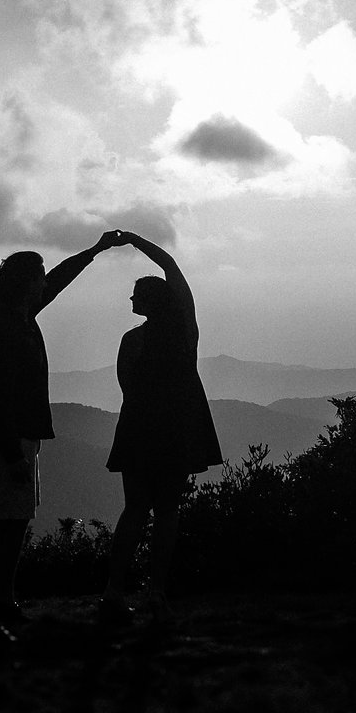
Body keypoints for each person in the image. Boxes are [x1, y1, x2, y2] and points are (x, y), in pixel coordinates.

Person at [0, 233, 122, 644]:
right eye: (37, 276)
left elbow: (60, 280)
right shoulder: (3, 326)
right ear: (23, 282)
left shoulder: (18, 313)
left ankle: (4, 600)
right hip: (7, 437)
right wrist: (11, 452)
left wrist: (94, 251)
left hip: (22, 434)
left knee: (15, 521)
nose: (43, 282)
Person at [99, 229, 223, 625]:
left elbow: (126, 386)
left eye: (135, 294)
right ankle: (156, 593)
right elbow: (170, 265)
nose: (131, 299)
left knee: (134, 509)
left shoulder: (131, 341)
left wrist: (130, 238)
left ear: (148, 301)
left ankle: (114, 592)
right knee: (168, 510)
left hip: (138, 430)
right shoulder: (185, 331)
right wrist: (135, 240)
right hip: (176, 429)